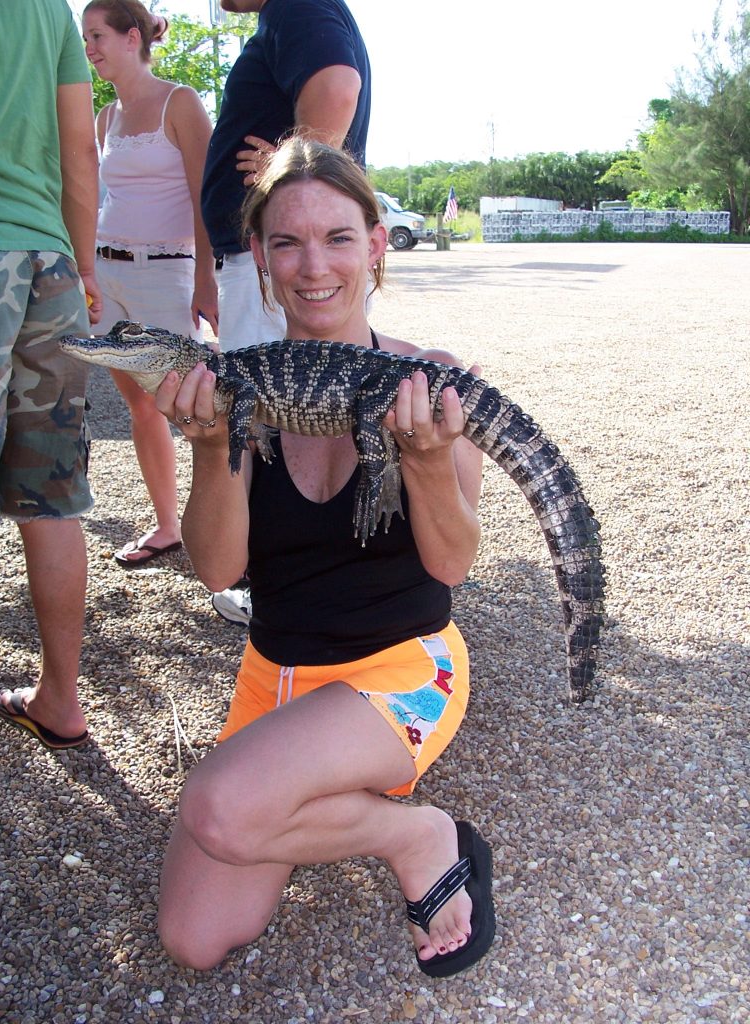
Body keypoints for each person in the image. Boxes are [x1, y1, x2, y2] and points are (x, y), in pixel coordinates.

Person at [154, 137, 496, 978]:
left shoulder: (431, 379)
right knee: (193, 940)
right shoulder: (238, 386)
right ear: (262, 259)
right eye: (287, 242)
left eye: (338, 237)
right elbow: (216, 569)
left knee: (220, 807)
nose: (314, 266)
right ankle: (357, 804)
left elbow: (452, 566)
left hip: (403, 666)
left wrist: (421, 462)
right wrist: (207, 448)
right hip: (276, 675)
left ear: (376, 244)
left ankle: (418, 836)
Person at [202, 0, 370, 621]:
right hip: (256, 258)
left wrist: (291, 173)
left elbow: (336, 85)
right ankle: (317, 569)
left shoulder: (295, 6)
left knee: (271, 426)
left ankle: (267, 578)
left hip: (273, 264)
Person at [0, 0, 103, 749]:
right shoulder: (49, 10)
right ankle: (61, 698)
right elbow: (80, 156)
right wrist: (83, 266)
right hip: (50, 264)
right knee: (51, 499)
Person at [82, 0, 219, 568]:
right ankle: (167, 526)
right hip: (108, 272)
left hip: (169, 272)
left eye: (96, 36)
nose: (89, 49)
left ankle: (241, 530)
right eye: (85, 39)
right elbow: (98, 198)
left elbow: (206, 198)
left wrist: (206, 281)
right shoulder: (104, 117)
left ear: (131, 36)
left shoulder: (179, 102)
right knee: (139, 405)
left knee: (195, 410)